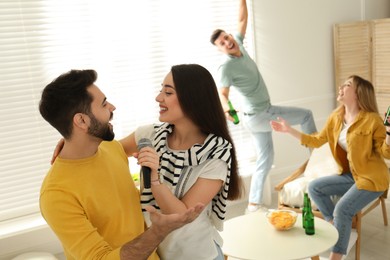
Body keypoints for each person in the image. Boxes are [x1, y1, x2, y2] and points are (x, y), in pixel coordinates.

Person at [38, 69, 204, 260]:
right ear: (82, 121)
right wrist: (158, 231)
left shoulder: (111, 149)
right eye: (103, 104)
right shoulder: (56, 194)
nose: (112, 107)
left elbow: (165, 132)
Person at [119, 64, 243, 260]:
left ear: (192, 99)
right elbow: (109, 153)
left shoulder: (216, 153)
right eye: (161, 90)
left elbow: (181, 215)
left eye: (168, 92)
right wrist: (74, 141)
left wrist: (155, 179)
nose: (158, 98)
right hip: (154, 254)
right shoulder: (149, 134)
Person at [210, 0, 317, 212]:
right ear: (220, 49)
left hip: (254, 118)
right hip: (261, 114)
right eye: (222, 43)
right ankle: (316, 160)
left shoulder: (238, 43)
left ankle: (253, 204)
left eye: (226, 37)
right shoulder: (226, 66)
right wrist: (228, 109)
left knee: (265, 160)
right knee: (306, 116)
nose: (227, 42)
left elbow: (242, 18)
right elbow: (222, 93)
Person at [270, 75, 390, 260]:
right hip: (351, 175)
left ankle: (336, 256)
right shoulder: (336, 117)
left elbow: (385, 152)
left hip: (372, 178)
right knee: (314, 187)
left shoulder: (372, 120)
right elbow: (317, 140)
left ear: (358, 93)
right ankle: (336, 229)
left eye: (348, 84)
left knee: (343, 209)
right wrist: (289, 130)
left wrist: (389, 133)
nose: (341, 86)